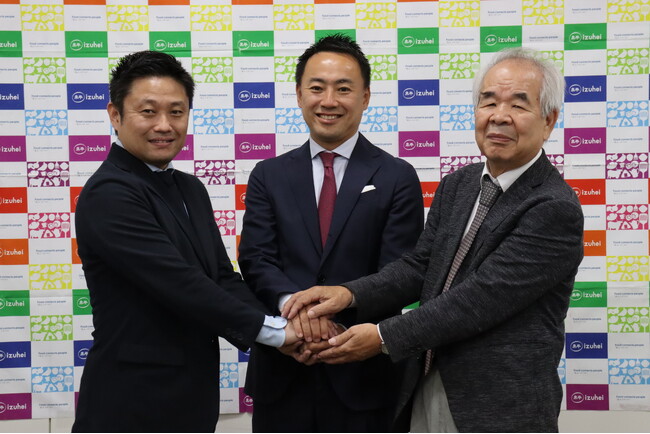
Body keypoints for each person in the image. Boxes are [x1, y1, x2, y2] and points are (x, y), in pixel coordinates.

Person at [283, 47, 585, 432]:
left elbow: (477, 300)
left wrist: (381, 336)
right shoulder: (459, 185)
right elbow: (420, 266)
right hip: (425, 384)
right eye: (488, 101)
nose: (499, 116)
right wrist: (348, 294)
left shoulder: (553, 207)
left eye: (518, 104)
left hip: (499, 406)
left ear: (549, 120)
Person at [72, 50, 298, 433]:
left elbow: (220, 278)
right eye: (148, 111)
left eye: (176, 112)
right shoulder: (109, 193)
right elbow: (180, 284)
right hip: (129, 404)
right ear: (115, 115)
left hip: (192, 400)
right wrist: (276, 333)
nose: (164, 125)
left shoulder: (190, 188)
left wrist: (286, 319)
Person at [238, 34, 424, 432]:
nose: (329, 101)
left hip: (366, 377)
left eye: (343, 89)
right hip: (283, 371)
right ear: (299, 94)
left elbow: (404, 272)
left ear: (365, 97)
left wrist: (336, 319)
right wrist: (298, 313)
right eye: (317, 87)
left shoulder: (397, 176)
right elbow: (256, 259)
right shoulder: (268, 175)